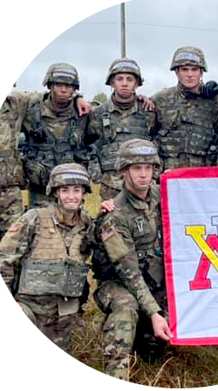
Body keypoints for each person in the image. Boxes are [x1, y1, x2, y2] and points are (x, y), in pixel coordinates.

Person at [81, 138, 171, 381]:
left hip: (155, 280)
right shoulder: (114, 216)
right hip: (120, 284)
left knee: (153, 351)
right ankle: (116, 375)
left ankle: (145, 334)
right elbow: (129, 272)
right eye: (136, 168)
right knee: (126, 308)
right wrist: (154, 312)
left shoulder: (162, 194)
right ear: (124, 171)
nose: (143, 175)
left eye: (148, 168)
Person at [0, 163, 93, 352]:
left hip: (64, 314)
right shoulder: (34, 218)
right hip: (30, 309)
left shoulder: (88, 224)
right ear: (55, 193)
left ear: (84, 193)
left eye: (76, 190)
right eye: (65, 190)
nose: (71, 196)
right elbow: (3, 259)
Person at [17, 62, 98, 207]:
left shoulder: (83, 114)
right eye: (59, 85)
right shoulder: (30, 113)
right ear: (50, 85)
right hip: (40, 190)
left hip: (71, 191)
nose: (63, 89)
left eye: (68, 86)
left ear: (74, 89)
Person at [89, 58, 157, 200]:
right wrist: (97, 175)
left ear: (137, 83)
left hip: (143, 185)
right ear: (112, 82)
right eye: (119, 79)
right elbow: (89, 146)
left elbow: (158, 143)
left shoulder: (148, 111)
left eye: (130, 79)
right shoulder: (98, 113)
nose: (124, 83)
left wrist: (154, 175)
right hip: (111, 186)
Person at [151, 46, 218, 170]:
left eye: (194, 70)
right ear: (177, 72)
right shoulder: (160, 100)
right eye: (184, 70)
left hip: (202, 176)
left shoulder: (216, 101)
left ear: (201, 72)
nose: (190, 75)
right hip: (168, 176)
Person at [0, 93, 26, 248]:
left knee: (17, 247)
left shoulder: (16, 103)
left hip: (7, 192)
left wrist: (77, 98)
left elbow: (50, 100)